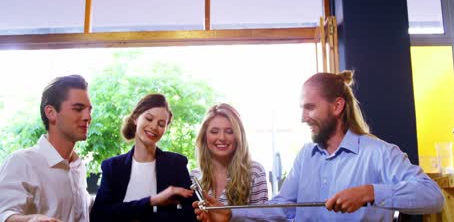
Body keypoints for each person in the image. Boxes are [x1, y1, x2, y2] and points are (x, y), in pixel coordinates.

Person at [194, 70, 444, 221]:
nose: (303, 118)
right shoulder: (306, 156)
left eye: (310, 107)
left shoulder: (379, 153)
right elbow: (282, 208)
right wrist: (231, 214)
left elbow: (433, 197)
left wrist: (370, 192)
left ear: (337, 107)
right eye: (302, 109)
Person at [0, 74, 93, 222]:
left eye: (89, 110)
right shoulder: (22, 162)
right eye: (78, 109)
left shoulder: (77, 166)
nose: (88, 116)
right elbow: (4, 214)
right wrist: (34, 220)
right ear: (51, 113)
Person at [90, 93, 196, 222]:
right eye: (149, 119)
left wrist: (125, 213)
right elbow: (99, 216)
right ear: (135, 118)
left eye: (161, 124)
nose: (154, 127)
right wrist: (152, 201)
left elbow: (192, 215)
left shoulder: (176, 164)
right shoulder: (112, 167)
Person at [191, 103, 268, 206]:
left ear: (238, 136)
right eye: (214, 132)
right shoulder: (193, 177)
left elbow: (262, 217)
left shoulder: (255, 172)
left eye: (229, 131)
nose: (222, 138)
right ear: (204, 137)